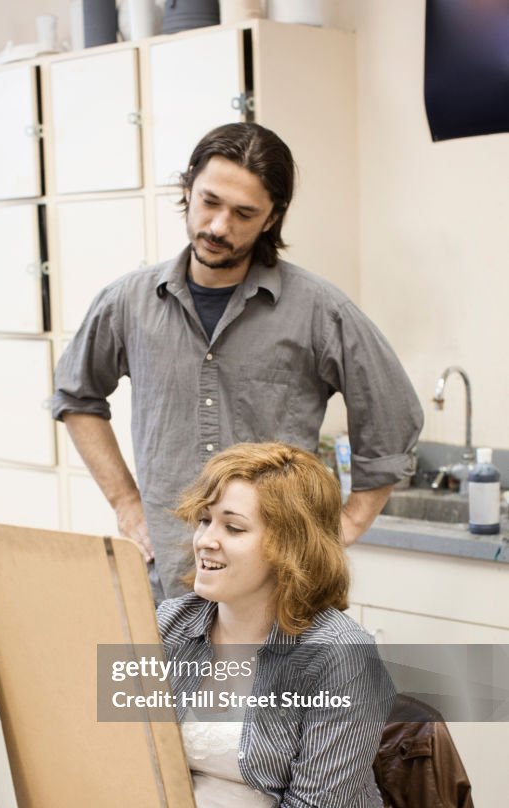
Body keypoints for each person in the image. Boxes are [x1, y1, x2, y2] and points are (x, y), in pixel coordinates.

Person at [87, 441, 396, 808]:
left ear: (289, 546)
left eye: (233, 526)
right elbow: (115, 757)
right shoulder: (171, 625)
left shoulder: (339, 656)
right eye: (205, 519)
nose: (205, 539)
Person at [51, 122, 423, 601]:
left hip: (280, 588)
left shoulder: (319, 310)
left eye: (244, 213)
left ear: (271, 218)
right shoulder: (127, 302)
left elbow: (393, 417)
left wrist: (351, 521)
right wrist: (126, 503)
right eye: (209, 201)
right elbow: (75, 397)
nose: (219, 227)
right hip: (170, 580)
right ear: (188, 189)